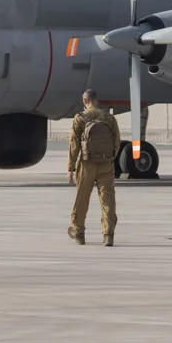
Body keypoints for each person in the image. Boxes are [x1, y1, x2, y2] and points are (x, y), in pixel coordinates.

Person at [66, 89, 121, 246]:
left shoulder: (80, 119)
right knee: (107, 200)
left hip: (86, 164)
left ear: (85, 101)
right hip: (106, 165)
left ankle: (79, 232)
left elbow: (74, 145)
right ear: (97, 100)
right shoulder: (109, 118)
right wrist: (109, 158)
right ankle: (108, 234)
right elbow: (117, 142)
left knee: (82, 199)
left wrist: (70, 168)